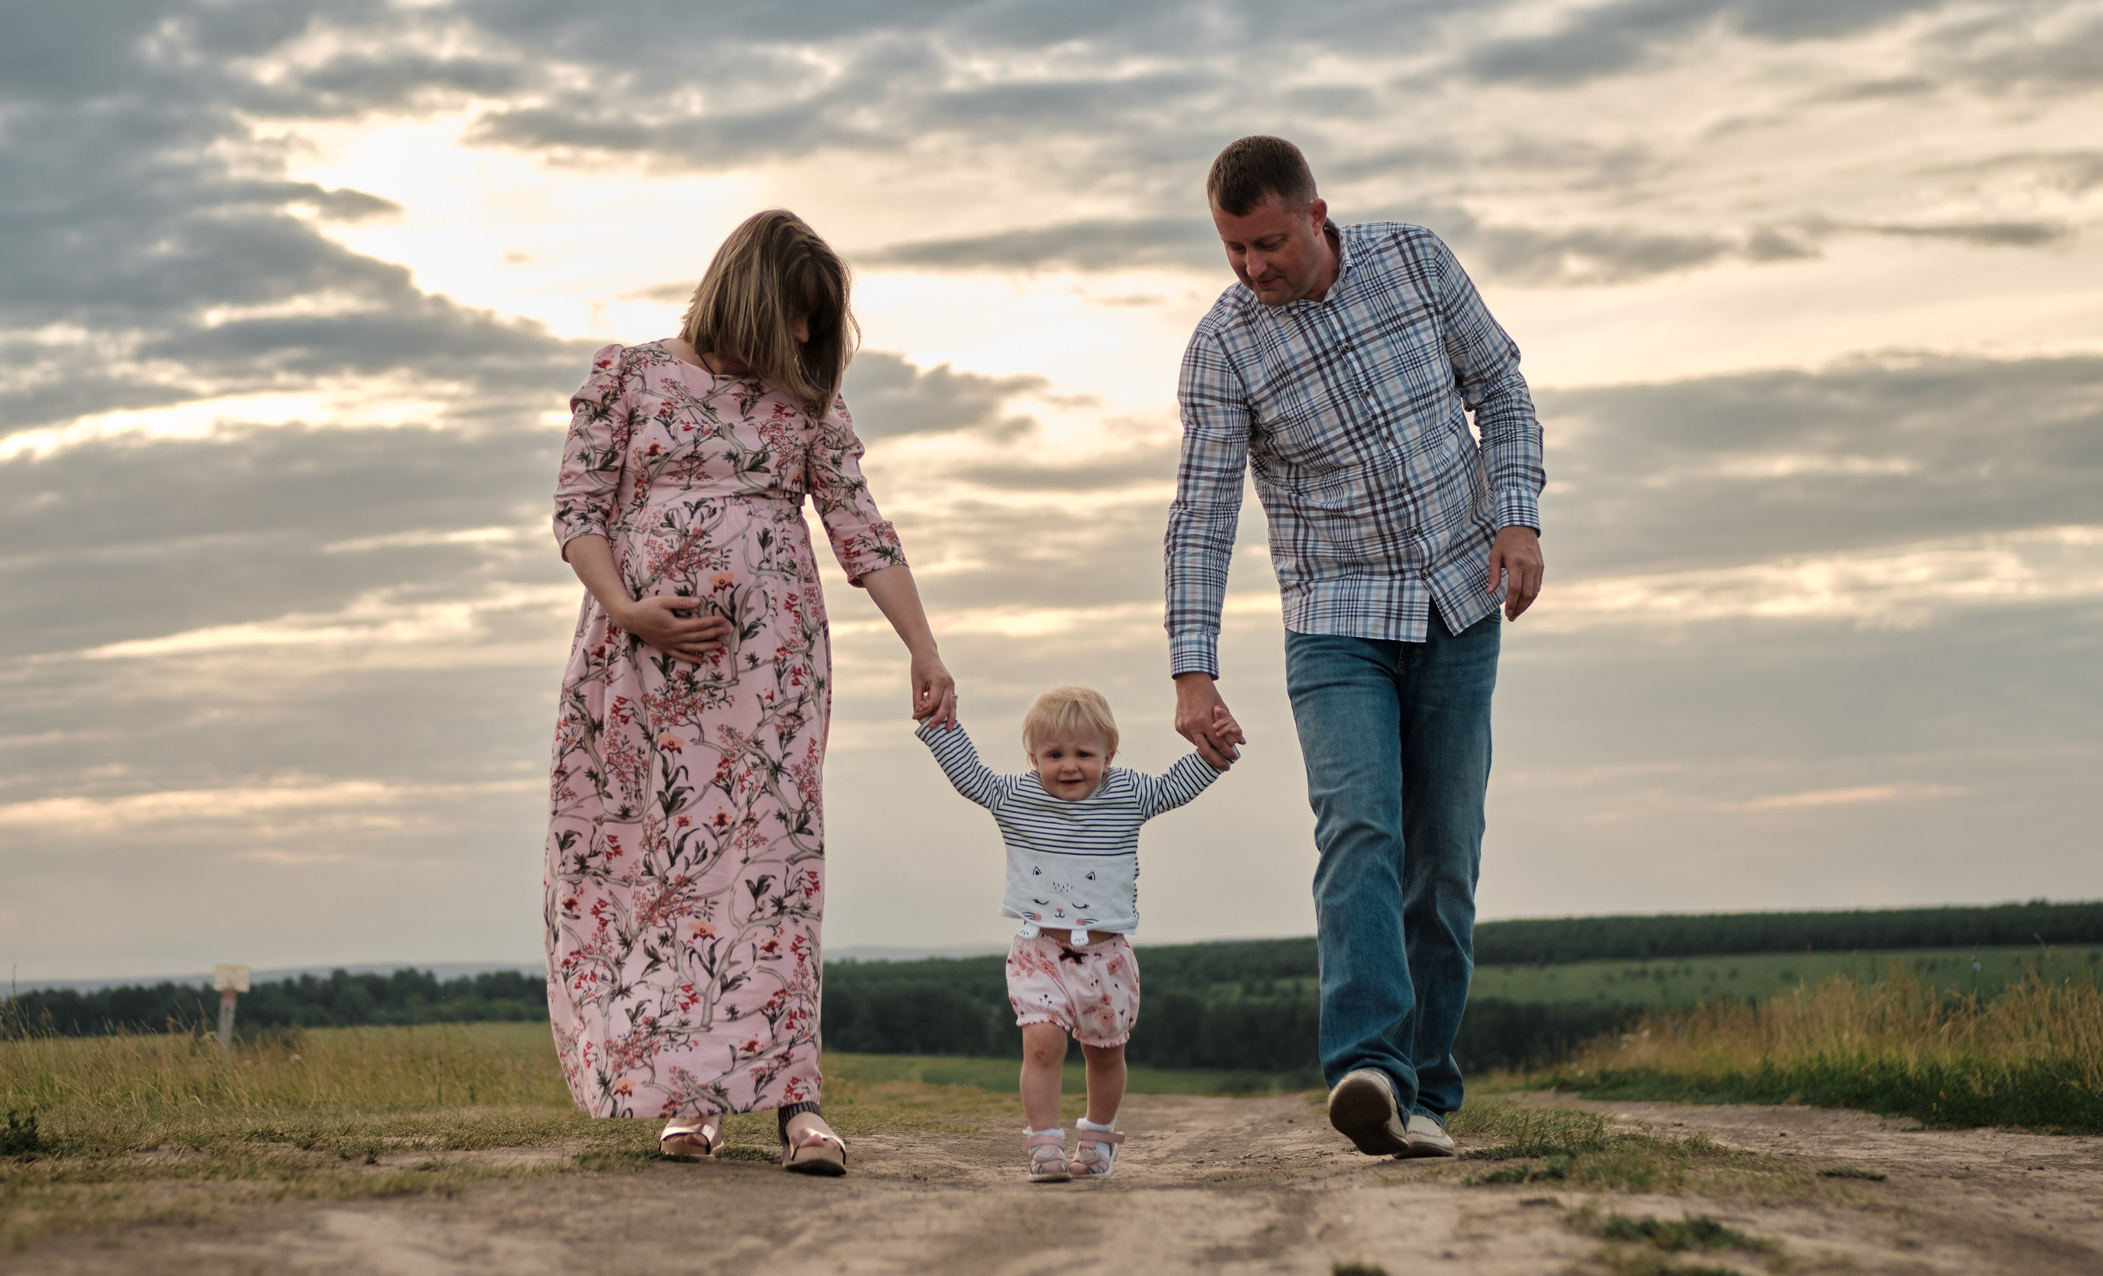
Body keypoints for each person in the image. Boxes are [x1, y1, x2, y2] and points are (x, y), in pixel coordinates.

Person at [544, 208, 957, 1176]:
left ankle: (795, 1103)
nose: (809, 338)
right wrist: (629, 609)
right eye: (798, 316)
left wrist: (923, 648)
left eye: (823, 322)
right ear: (750, 294)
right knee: (658, 871)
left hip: (768, 671)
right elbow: (578, 511)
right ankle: (686, 1099)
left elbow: (862, 530)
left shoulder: (805, 399)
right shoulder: (628, 375)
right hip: (639, 663)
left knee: (773, 865)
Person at [1164, 136, 1545, 1161]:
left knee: (1443, 862)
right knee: (1360, 828)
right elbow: (1202, 514)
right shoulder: (1223, 347)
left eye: (1269, 243)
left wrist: (1517, 518)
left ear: (1317, 214)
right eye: (1233, 250)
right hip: (1334, 623)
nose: (1252, 268)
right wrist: (1190, 668)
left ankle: (1423, 1093)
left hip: (1460, 606)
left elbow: (1501, 392)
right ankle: (1369, 1067)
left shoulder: (1415, 262)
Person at [916, 684, 1230, 1180]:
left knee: (1105, 1055)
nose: (1068, 766)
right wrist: (938, 724)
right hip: (1039, 950)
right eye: (1054, 754)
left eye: (1084, 754)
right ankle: (1045, 1145)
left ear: (1108, 757)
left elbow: (1176, 785)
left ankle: (1098, 1138)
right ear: (1033, 757)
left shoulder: (1127, 794)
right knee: (1042, 1045)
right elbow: (971, 777)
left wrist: (1215, 748)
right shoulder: (1016, 797)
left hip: (1107, 959)